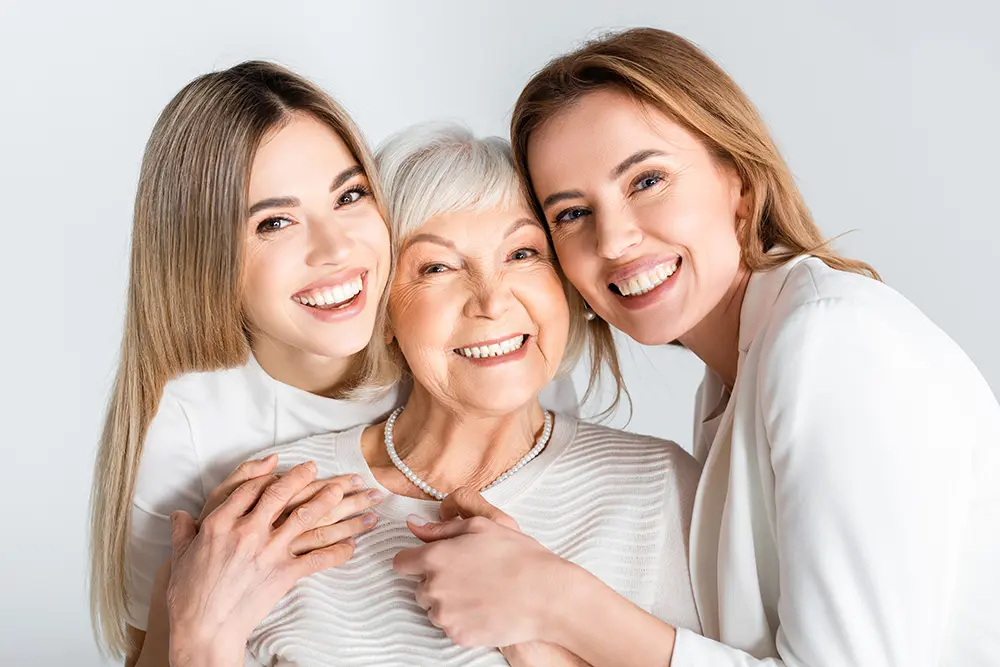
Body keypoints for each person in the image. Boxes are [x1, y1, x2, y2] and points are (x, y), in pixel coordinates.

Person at [394, 28, 1000, 666]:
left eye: (647, 180)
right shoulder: (736, 373)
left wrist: (559, 600)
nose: (616, 239)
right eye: (572, 213)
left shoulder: (827, 341)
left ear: (736, 175)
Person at [88, 60, 579, 666]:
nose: (337, 249)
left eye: (349, 195)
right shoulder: (191, 432)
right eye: (275, 221)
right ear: (206, 258)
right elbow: (161, 649)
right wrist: (202, 616)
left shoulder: (467, 345)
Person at [195, 124, 699, 666]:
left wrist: (533, 628)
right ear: (382, 311)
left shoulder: (663, 488)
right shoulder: (277, 505)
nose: (491, 300)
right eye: (437, 267)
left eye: (523, 254)